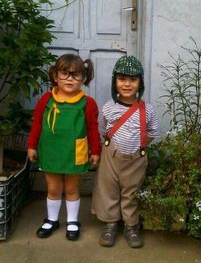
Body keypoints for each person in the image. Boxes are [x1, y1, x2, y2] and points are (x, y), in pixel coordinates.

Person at [27, 53, 101, 241]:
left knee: (71, 189)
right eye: (65, 73)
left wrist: (96, 151)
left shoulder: (88, 103)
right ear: (55, 76)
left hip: (75, 153)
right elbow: (36, 124)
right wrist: (31, 146)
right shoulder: (46, 100)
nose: (70, 78)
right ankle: (52, 220)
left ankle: (72, 221)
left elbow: (93, 128)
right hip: (51, 151)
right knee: (53, 188)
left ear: (83, 78)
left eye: (75, 74)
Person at [92, 55, 160, 248]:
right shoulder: (108, 107)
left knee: (131, 192)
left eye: (133, 79)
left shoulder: (148, 110)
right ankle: (110, 224)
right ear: (115, 82)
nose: (127, 84)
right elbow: (102, 129)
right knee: (108, 190)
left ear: (140, 83)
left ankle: (131, 226)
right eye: (122, 79)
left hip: (136, 159)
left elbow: (153, 131)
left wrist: (139, 146)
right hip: (110, 157)